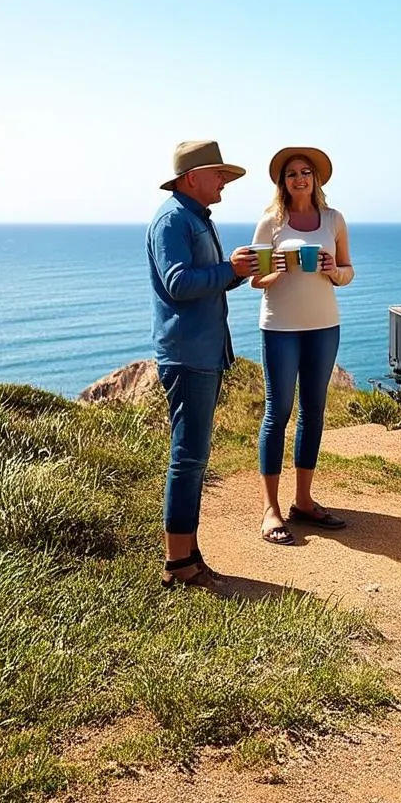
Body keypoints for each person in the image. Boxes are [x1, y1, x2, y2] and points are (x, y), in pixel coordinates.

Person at [147, 139, 257, 590]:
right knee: (188, 458)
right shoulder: (173, 220)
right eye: (220, 176)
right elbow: (177, 283)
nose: (225, 184)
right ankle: (178, 563)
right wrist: (229, 270)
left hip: (201, 352)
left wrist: (237, 272)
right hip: (187, 355)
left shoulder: (192, 218)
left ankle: (188, 554)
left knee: (193, 456)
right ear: (193, 177)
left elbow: (202, 282)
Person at [250, 146, 354, 545]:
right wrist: (274, 270)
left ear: (316, 179)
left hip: (324, 326)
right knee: (278, 412)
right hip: (280, 328)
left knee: (314, 411)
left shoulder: (334, 219)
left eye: (305, 172)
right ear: (283, 182)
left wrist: (334, 271)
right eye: (292, 173)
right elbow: (255, 281)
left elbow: (348, 270)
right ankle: (270, 510)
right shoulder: (270, 223)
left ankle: (304, 501)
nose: (299, 178)